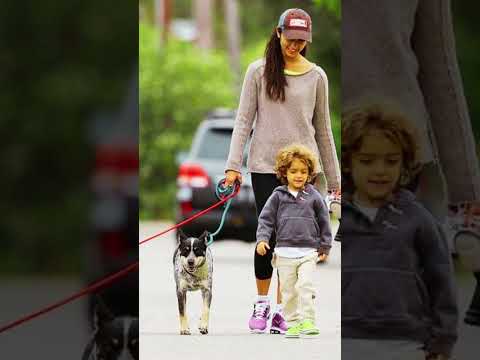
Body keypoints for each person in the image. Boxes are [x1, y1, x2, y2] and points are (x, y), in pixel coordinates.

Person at [342, 0, 480, 325]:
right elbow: (441, 73)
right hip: (387, 152)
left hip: (392, 159)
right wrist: (466, 193)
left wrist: (466, 194)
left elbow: (440, 72)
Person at [223, 8, 341, 334]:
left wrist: (335, 181)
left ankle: (280, 309)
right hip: (264, 166)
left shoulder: (316, 76)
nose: (295, 46)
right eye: (291, 39)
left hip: (304, 169)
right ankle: (262, 303)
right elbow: (244, 121)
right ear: (278, 34)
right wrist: (233, 167)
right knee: (269, 235)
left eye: (302, 41)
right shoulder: (258, 72)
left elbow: (324, 130)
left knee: (294, 240)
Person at [341, 102, 458, 360]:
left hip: (406, 343)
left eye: (391, 161)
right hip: (344, 339)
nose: (380, 170)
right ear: (349, 163)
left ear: (404, 165)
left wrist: (443, 341)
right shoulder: (336, 218)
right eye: (367, 161)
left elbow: (442, 282)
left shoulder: (418, 219)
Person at [256, 144, 331, 338]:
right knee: (288, 292)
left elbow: (324, 221)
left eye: (303, 171)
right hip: (284, 253)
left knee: (305, 285)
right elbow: (266, 219)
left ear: (310, 174)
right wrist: (262, 240)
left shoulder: (314, 195)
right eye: (294, 171)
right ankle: (293, 323)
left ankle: (308, 320)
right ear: (284, 172)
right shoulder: (278, 196)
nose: (299, 175)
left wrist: (325, 245)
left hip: (308, 251)